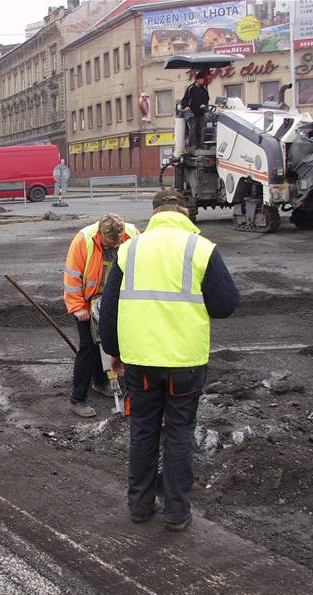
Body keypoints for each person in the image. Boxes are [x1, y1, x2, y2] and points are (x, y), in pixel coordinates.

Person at [98, 190, 239, 532]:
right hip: (184, 363)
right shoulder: (200, 248)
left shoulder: (129, 250)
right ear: (185, 212)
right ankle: (177, 512)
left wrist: (115, 354)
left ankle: (140, 506)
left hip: (141, 363)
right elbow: (225, 305)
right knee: (179, 433)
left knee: (144, 430)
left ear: (154, 213)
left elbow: (109, 309)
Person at [63, 213, 139, 418]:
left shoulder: (133, 235)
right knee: (88, 348)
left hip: (118, 300)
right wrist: (78, 307)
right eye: (109, 244)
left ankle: (101, 381)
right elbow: (72, 276)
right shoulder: (84, 240)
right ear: (101, 235)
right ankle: (77, 398)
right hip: (90, 302)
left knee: (116, 344)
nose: (113, 247)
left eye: (117, 243)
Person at [181, 71, 210, 149]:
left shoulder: (203, 89)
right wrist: (186, 106)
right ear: (197, 80)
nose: (203, 81)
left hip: (201, 112)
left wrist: (204, 104)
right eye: (201, 79)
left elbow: (207, 98)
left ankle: (202, 144)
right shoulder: (191, 89)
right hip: (192, 113)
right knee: (193, 128)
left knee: (202, 128)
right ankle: (193, 145)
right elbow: (184, 100)